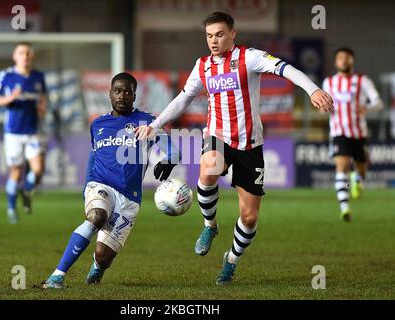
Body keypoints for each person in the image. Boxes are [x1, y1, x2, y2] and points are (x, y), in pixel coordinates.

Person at [135, 12, 334, 285]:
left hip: (250, 144)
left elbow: (286, 68)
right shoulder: (202, 65)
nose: (213, 41)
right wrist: (156, 125)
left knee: (249, 218)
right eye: (208, 36)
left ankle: (231, 260)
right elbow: (183, 99)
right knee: (208, 169)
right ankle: (210, 227)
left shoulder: (249, 57)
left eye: (219, 34)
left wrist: (313, 90)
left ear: (232, 34)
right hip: (217, 134)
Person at [42, 72, 180, 289]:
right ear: (110, 94)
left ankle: (97, 267)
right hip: (100, 184)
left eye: (127, 92)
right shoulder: (98, 124)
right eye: (118, 91)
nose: (122, 95)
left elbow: (173, 149)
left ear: (134, 96)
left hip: (130, 197)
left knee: (103, 256)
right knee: (97, 217)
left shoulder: (147, 122)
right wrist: (86, 187)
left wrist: (170, 159)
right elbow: (93, 156)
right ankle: (57, 276)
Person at [0, 42, 48, 224]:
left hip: (32, 130)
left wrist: (42, 108)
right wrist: (10, 98)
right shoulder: (6, 76)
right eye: (22, 53)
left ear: (33, 56)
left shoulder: (38, 76)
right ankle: (12, 209)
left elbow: (44, 97)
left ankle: (27, 191)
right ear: (15, 56)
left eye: (29, 53)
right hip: (13, 132)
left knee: (38, 169)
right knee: (16, 172)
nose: (26, 56)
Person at [322, 47, 382, 222]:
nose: (344, 60)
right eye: (340, 58)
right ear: (336, 62)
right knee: (342, 166)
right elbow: (325, 104)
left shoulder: (363, 81)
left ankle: (357, 180)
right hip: (339, 131)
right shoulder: (329, 82)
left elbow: (378, 103)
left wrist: (367, 108)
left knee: (361, 170)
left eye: (347, 58)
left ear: (352, 61)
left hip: (359, 133)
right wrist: (323, 108)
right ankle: (344, 208)